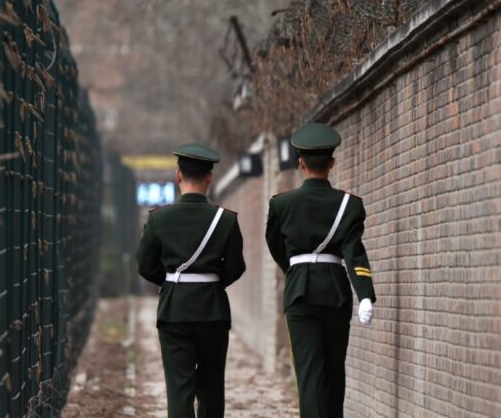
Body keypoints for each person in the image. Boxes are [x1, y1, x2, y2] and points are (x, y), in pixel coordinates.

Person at [265, 123, 376, 418]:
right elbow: (354, 252)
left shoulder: (281, 204)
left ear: (300, 163)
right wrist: (365, 294)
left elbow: (275, 244)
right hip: (336, 294)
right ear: (332, 163)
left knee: (310, 374)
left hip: (299, 293)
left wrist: (294, 270)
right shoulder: (349, 206)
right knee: (333, 372)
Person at [137, 143, 246, 418]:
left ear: (178, 176)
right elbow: (236, 267)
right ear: (209, 178)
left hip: (174, 310)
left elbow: (145, 265)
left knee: (179, 389)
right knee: (211, 387)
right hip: (213, 310)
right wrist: (211, 283)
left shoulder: (158, 219)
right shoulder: (226, 220)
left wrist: (172, 281)